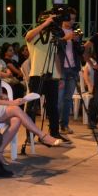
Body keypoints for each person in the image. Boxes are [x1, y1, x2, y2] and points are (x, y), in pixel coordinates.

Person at [0, 49, 65, 149]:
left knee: (16, 120)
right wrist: (12, 102)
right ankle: (43, 136)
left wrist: (4, 96)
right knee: (15, 108)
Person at [24, 14, 72, 142]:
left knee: (52, 106)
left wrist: (59, 76)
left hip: (52, 75)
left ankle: (54, 133)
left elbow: (56, 56)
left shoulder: (54, 36)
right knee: (32, 106)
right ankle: (30, 135)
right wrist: (45, 24)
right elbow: (28, 37)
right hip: (37, 74)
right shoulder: (34, 34)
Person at [54, 8, 83, 134]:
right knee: (59, 99)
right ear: (64, 18)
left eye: (74, 19)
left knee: (68, 99)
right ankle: (54, 126)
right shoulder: (57, 31)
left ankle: (64, 125)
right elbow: (54, 46)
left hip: (73, 68)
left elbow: (80, 51)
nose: (72, 21)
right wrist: (65, 38)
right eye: (69, 18)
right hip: (61, 69)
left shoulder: (76, 31)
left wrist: (77, 42)